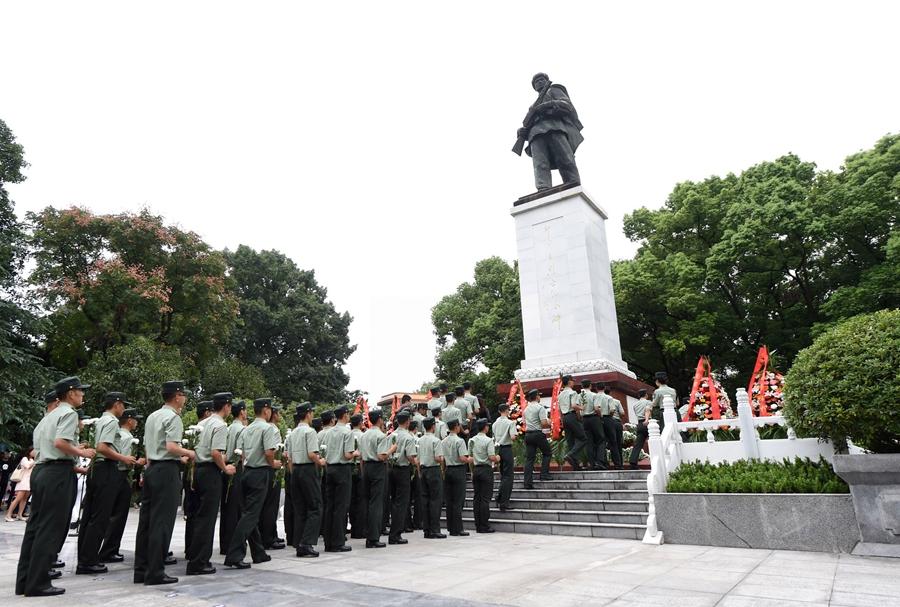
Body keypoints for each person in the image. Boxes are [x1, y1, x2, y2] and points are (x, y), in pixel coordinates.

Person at [16, 377, 96, 597]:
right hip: (57, 474)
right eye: (80, 391)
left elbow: (42, 448)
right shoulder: (69, 413)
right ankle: (39, 582)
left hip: (42, 472)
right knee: (51, 528)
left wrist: (73, 449)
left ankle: (25, 580)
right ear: (70, 393)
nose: (83, 395)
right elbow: (60, 443)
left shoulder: (48, 417)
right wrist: (82, 452)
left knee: (35, 528)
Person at [133, 381, 193, 586]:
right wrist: (189, 453)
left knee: (146, 522)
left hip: (152, 468)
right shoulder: (173, 417)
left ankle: (141, 570)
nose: (184, 398)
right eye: (183, 395)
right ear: (176, 396)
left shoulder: (153, 416)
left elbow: (149, 447)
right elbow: (171, 447)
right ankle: (155, 572)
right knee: (162, 522)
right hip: (166, 471)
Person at [78, 392, 136, 574]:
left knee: (89, 516)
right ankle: (88, 561)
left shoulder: (101, 420)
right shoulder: (111, 422)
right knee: (100, 517)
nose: (124, 409)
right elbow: (102, 447)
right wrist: (123, 458)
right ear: (117, 404)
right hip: (106, 468)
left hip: (97, 469)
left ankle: (84, 557)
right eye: (123, 405)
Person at [224, 398, 281, 569]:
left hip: (246, 472)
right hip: (260, 472)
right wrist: (273, 464)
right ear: (266, 410)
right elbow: (269, 452)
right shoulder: (267, 428)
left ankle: (258, 552)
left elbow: (241, 454)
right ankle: (234, 555)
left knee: (250, 513)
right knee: (250, 515)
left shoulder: (246, 429)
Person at [186, 393, 235, 575]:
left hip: (198, 469)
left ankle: (195, 557)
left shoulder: (202, 423)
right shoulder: (220, 425)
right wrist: (225, 468)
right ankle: (199, 562)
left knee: (199, 516)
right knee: (207, 518)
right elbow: (215, 453)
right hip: (210, 472)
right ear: (226, 406)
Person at [514, 72, 583, 191]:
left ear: (547, 81)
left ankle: (572, 183)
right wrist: (522, 132)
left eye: (542, 79)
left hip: (555, 127)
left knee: (565, 158)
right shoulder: (532, 106)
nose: (539, 82)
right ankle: (543, 187)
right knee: (540, 164)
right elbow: (527, 124)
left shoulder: (554, 90)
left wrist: (547, 105)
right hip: (535, 134)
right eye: (536, 81)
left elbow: (567, 105)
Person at [98, 408, 145, 564]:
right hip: (120, 475)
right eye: (135, 419)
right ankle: (110, 550)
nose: (137, 422)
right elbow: (124, 459)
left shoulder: (120, 434)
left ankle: (109, 549)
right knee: (118, 516)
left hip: (115, 475)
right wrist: (137, 462)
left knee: (113, 515)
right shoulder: (127, 438)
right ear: (130, 420)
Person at [285, 403, 324, 558]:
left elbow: (289, 457)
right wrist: (320, 462)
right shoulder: (310, 431)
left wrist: (293, 472)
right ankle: (307, 543)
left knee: (300, 508)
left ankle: (299, 543)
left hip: (295, 470)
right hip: (308, 469)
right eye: (311, 412)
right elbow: (312, 454)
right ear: (308, 414)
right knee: (315, 507)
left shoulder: (293, 433)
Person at [322, 405, 357, 552]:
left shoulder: (329, 432)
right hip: (342, 470)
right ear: (345, 415)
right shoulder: (347, 432)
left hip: (330, 468)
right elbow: (347, 455)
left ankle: (328, 542)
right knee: (341, 507)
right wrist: (356, 453)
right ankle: (337, 542)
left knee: (330, 506)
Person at [359, 410, 396, 548]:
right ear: (379, 419)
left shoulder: (364, 435)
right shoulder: (380, 435)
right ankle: (373, 537)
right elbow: (382, 456)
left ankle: (367, 533)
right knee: (376, 503)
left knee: (367, 501)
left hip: (366, 467)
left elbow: (361, 456)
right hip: (377, 467)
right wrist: (392, 449)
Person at [219, 400, 247, 555]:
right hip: (236, 467)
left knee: (226, 507)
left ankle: (225, 543)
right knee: (236, 509)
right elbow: (242, 452)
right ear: (242, 412)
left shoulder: (228, 427)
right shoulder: (242, 429)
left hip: (225, 466)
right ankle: (233, 543)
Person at [388, 412, 417, 545]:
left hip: (391, 469)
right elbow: (410, 456)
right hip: (403, 470)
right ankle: (395, 534)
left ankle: (393, 532)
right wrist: (416, 463)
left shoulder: (391, 435)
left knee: (394, 500)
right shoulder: (408, 437)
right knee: (402, 502)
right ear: (407, 422)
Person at [259, 406, 285, 550]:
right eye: (278, 412)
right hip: (271, 467)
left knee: (267, 504)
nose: (280, 415)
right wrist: (275, 462)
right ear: (273, 414)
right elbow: (271, 451)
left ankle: (270, 534)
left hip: (264, 468)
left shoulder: (264, 427)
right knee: (271, 505)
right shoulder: (272, 429)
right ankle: (269, 537)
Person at [442, 419, 471, 537]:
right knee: (458, 500)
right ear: (456, 427)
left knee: (449, 500)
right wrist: (471, 459)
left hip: (448, 469)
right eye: (459, 426)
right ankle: (458, 528)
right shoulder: (459, 441)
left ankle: (451, 527)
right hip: (458, 470)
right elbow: (462, 458)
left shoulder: (443, 441)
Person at [469, 419, 498, 533]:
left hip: (476, 469)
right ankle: (484, 525)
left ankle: (478, 524)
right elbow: (491, 457)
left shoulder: (472, 440)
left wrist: (472, 471)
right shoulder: (488, 440)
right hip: (486, 470)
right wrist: (498, 458)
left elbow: (470, 458)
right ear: (485, 427)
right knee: (485, 499)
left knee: (477, 498)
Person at [417, 418, 445, 539]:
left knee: (425, 500)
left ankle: (427, 530)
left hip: (423, 470)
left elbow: (417, 459)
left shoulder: (420, 440)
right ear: (433, 426)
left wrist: (419, 472)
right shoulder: (436, 440)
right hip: (433, 470)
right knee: (435, 500)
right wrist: (443, 458)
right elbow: (438, 458)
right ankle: (435, 529)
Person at [523, 388, 552, 489]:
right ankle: (544, 474)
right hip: (537, 434)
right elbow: (543, 423)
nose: (540, 397)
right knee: (547, 453)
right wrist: (549, 422)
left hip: (528, 435)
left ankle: (527, 482)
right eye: (539, 395)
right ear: (536, 397)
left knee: (529, 459)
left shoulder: (526, 409)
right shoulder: (540, 408)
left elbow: (525, 422)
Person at [491, 403, 517, 511]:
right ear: (507, 410)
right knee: (508, 476)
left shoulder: (494, 424)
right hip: (507, 449)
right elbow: (513, 437)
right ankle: (504, 502)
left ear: (499, 411)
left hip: (498, 450)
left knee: (503, 475)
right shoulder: (510, 423)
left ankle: (500, 496)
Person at [558, 375, 586, 470]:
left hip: (565, 418)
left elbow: (559, 410)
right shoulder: (573, 393)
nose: (574, 382)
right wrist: (582, 408)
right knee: (583, 438)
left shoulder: (560, 394)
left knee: (571, 441)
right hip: (572, 416)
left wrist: (562, 420)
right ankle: (570, 454)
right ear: (569, 382)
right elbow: (574, 406)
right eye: (573, 381)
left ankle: (576, 466)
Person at [580, 380, 607, 471]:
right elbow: (596, 408)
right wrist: (601, 416)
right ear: (590, 386)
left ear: (582, 386)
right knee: (601, 439)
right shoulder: (594, 395)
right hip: (594, 418)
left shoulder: (579, 396)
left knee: (589, 442)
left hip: (584, 419)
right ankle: (599, 462)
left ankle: (591, 464)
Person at [348, 413, 366, 539]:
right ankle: (359, 529)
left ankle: (352, 526)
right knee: (360, 499)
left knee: (350, 499)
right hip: (359, 468)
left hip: (348, 468)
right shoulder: (362, 436)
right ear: (360, 423)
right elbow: (363, 455)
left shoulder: (348, 434)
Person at [5, 448, 34, 522]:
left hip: (29, 481)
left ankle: (19, 515)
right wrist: (34, 462)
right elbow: (27, 466)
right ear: (29, 451)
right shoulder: (24, 459)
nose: (35, 452)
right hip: (23, 481)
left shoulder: (32, 460)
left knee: (24, 499)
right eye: (33, 451)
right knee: (18, 498)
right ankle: (8, 515)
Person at [629, 390, 653, 469]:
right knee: (654, 441)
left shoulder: (635, 404)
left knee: (638, 445)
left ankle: (633, 462)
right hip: (648, 423)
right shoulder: (648, 402)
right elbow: (647, 410)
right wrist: (647, 420)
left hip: (639, 424)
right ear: (646, 395)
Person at [607, 386, 625, 468]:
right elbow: (622, 413)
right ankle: (620, 463)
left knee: (611, 443)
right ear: (610, 392)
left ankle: (614, 462)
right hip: (617, 422)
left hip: (607, 422)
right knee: (618, 443)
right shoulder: (616, 401)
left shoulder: (599, 400)